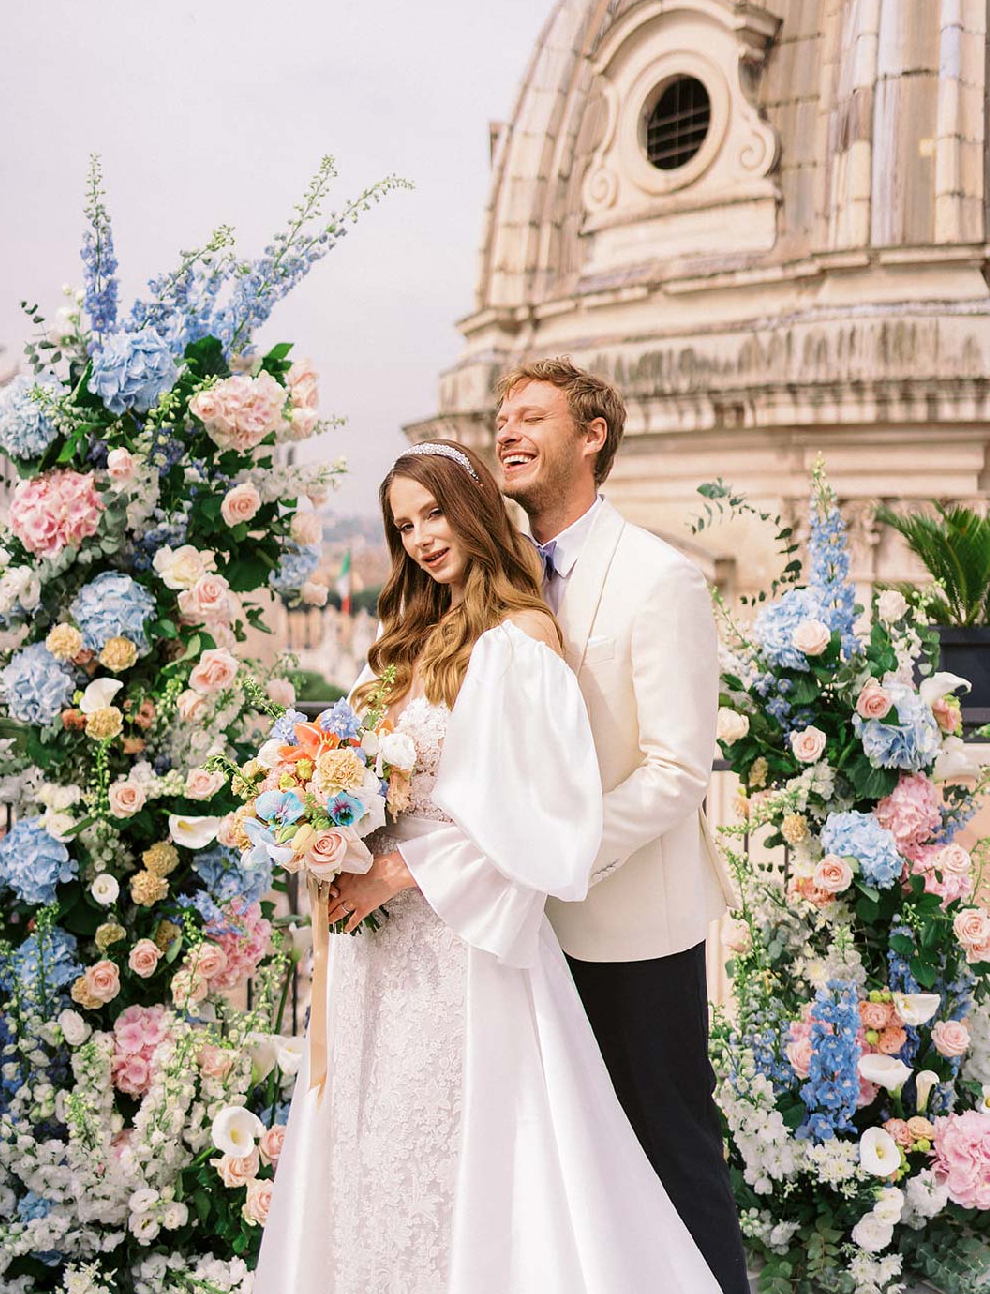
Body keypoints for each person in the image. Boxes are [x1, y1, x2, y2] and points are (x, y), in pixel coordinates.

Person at [254, 439, 720, 1294]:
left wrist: (394, 875)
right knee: (374, 1150)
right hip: (375, 955)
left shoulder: (519, 636)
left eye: (435, 512)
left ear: (472, 509)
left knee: (463, 1156)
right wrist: (325, 824)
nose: (423, 537)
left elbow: (535, 820)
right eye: (404, 525)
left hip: (463, 954)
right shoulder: (400, 644)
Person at [495, 357, 749, 1294]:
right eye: (500, 418)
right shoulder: (501, 579)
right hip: (526, 930)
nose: (507, 432)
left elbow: (680, 772)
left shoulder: (658, 577)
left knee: (670, 1148)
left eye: (531, 416)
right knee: (565, 1163)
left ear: (591, 436)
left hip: (634, 925)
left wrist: (555, 857)